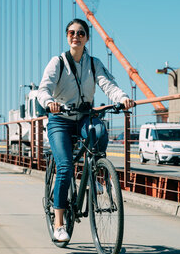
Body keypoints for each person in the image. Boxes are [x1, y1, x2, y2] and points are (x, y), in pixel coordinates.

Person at [37, 18, 135, 242]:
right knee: (65, 167)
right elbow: (44, 88)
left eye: (81, 33)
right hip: (60, 119)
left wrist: (123, 98)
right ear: (66, 36)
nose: (76, 36)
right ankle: (59, 222)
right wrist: (49, 102)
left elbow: (108, 85)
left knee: (99, 132)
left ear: (87, 38)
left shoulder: (94, 63)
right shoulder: (58, 62)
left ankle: (98, 175)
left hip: (84, 116)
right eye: (71, 32)